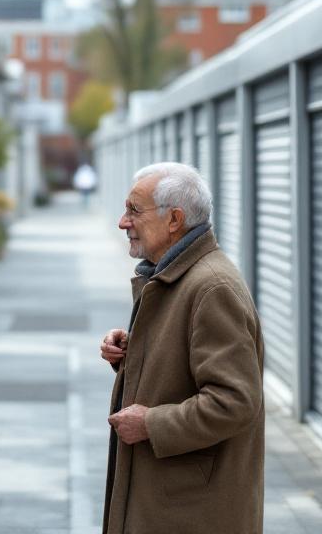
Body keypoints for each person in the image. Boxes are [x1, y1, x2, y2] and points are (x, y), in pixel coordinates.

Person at [99, 162, 264, 534]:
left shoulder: (210, 287)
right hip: (174, 499)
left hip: (190, 510)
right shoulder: (177, 276)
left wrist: (151, 423)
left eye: (133, 210)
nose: (123, 222)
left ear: (174, 220)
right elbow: (182, 362)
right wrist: (130, 352)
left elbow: (234, 401)